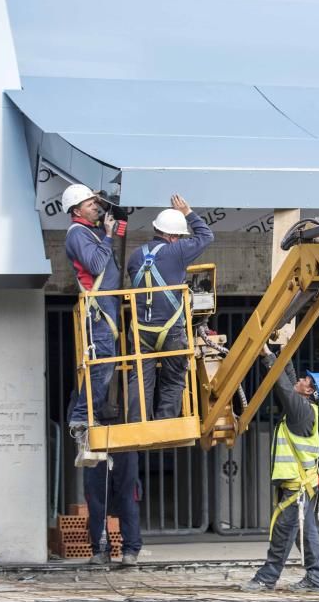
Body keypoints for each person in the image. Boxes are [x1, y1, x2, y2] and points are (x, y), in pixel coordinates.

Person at [242, 345, 319, 593]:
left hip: (298, 487)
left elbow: (283, 386)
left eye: (307, 380)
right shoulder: (305, 408)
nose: (302, 380)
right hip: (302, 485)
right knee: (305, 534)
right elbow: (291, 378)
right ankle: (316, 579)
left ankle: (267, 577)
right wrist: (283, 349)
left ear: (310, 392)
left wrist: (267, 357)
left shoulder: (302, 411)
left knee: (283, 531)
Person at [126, 194, 213, 422]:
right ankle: (166, 423)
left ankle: (138, 422)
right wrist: (188, 212)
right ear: (174, 237)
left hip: (141, 330)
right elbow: (206, 235)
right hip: (171, 329)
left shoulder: (135, 257)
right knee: (173, 377)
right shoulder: (178, 250)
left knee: (140, 378)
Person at [62, 183, 126, 464]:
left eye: (95, 203)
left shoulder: (92, 231)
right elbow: (97, 265)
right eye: (90, 204)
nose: (96, 207)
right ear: (76, 210)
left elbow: (119, 229)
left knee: (100, 369)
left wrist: (114, 217)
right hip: (98, 312)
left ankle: (85, 418)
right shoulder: (77, 234)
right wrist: (109, 236)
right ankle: (81, 419)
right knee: (101, 369)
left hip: (105, 311)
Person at [83, 453, 142, 566]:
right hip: (97, 448)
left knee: (128, 499)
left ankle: (130, 551)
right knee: (96, 502)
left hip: (124, 445)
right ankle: (101, 550)